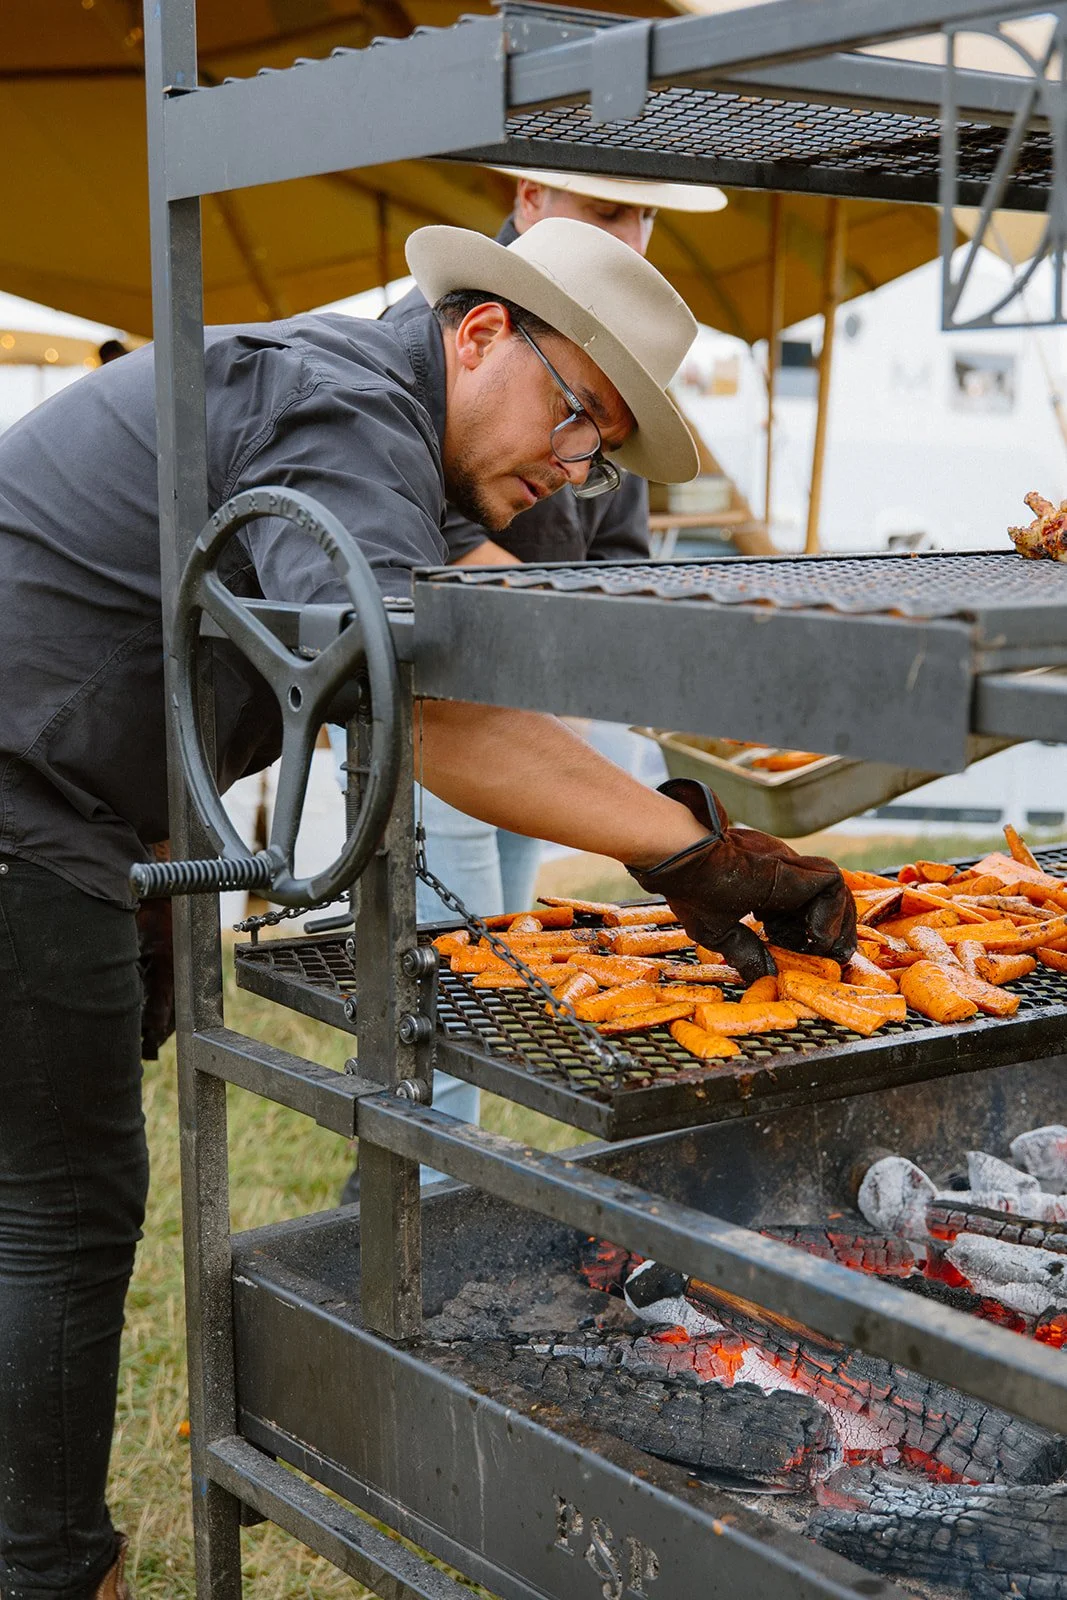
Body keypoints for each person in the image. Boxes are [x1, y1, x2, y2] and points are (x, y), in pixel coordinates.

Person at [0, 217, 855, 1599]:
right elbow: (432, 715)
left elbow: (464, 649)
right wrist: (692, 852)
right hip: (20, 799)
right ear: (479, 332)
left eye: (597, 452)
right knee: (62, 1206)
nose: (571, 469)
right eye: (576, 416)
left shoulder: (364, 419)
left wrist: (706, 743)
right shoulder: (340, 411)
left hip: (65, 799)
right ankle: (48, 1573)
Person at [334, 170, 727, 1193]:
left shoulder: (603, 372)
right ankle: (410, 1199)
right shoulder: (414, 354)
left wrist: (608, 677)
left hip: (538, 707)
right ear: (529, 199)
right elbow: (420, 563)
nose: (630, 235)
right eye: (606, 212)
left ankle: (433, 1187)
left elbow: (620, 559)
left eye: (644, 216)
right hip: (448, 698)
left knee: (499, 958)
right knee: (455, 974)